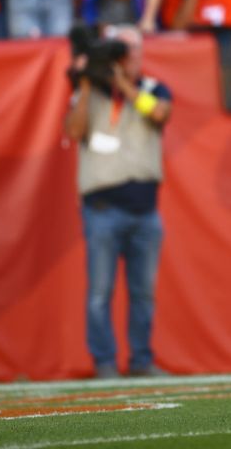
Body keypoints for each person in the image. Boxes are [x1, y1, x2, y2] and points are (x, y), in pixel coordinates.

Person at [63, 27, 172, 378]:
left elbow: (158, 114)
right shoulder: (90, 92)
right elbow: (75, 131)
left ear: (140, 53)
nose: (125, 57)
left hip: (145, 210)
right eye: (119, 51)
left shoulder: (153, 88)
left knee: (143, 293)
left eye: (130, 50)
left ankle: (141, 360)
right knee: (99, 291)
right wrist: (83, 83)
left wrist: (123, 82)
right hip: (102, 210)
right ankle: (104, 362)